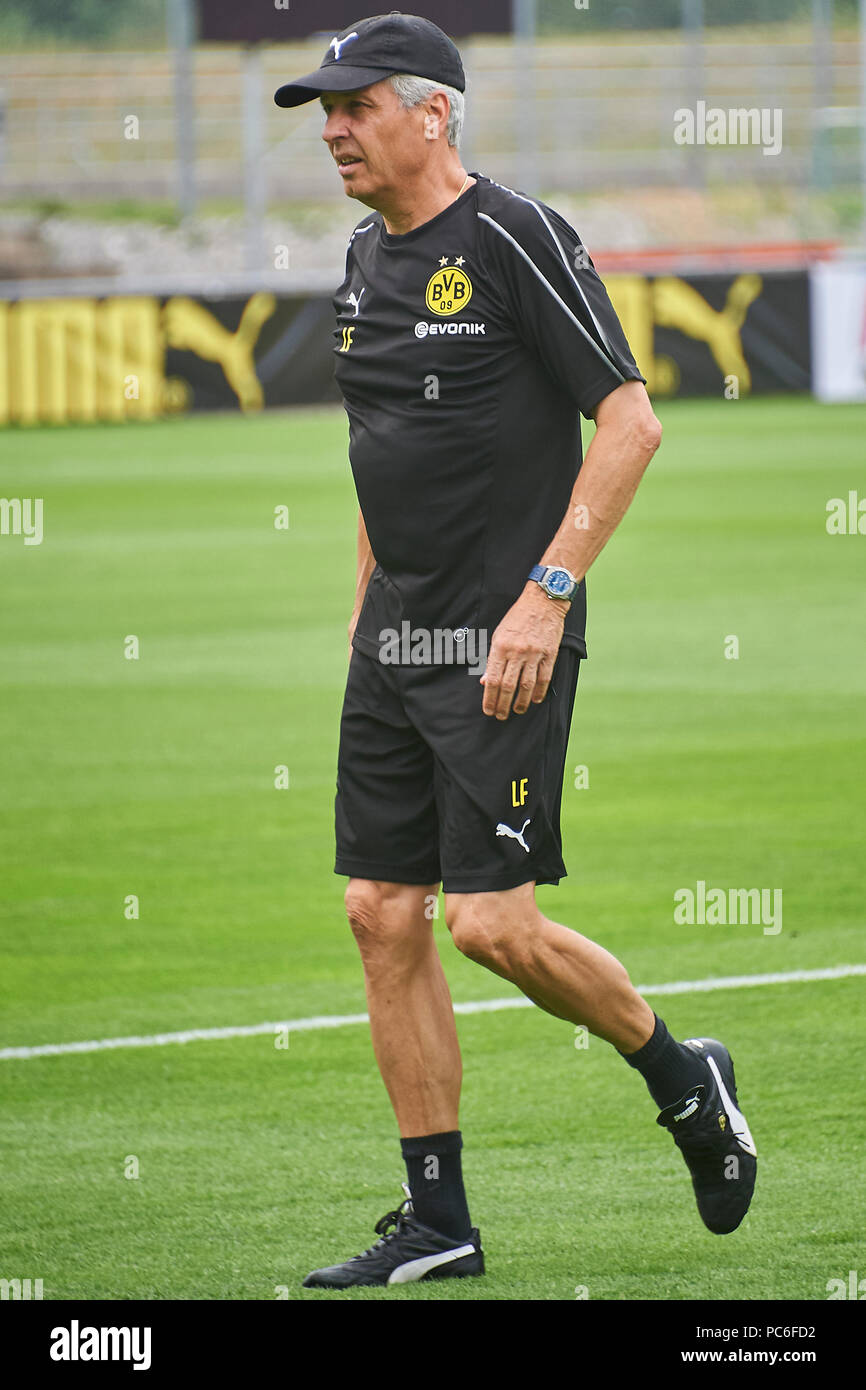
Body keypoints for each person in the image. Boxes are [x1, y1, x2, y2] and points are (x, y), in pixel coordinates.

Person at [274, 12, 756, 1290]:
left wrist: (544, 595)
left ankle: (681, 1075)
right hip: (392, 638)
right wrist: (364, 610)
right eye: (322, 108)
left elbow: (630, 423)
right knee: (379, 912)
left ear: (432, 113)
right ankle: (441, 1224)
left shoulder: (515, 236)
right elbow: (383, 458)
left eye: (354, 103)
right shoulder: (362, 260)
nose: (331, 127)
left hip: (503, 636)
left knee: (488, 923)